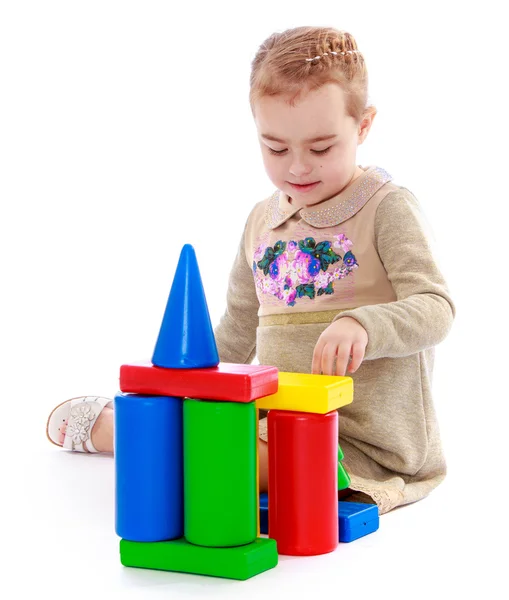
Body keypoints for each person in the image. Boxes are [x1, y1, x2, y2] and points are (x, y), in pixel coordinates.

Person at [46, 26, 455, 515]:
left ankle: (122, 433)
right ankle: (136, 427)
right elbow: (238, 330)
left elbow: (437, 308)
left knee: (214, 462)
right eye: (276, 148)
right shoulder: (262, 221)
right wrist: (182, 393)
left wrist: (363, 323)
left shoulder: (387, 208)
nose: (298, 168)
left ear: (363, 126)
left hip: (360, 443)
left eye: (322, 148)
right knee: (198, 440)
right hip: (269, 421)